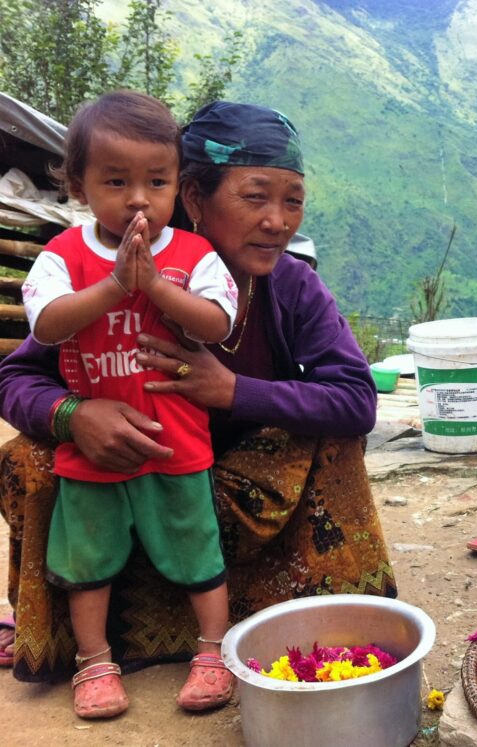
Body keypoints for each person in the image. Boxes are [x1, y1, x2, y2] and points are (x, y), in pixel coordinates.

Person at [0, 101, 396, 690]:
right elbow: (16, 378)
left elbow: (356, 400)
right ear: (192, 198)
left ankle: (286, 615)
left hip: (231, 494)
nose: (278, 221)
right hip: (126, 485)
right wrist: (73, 415)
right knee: (27, 459)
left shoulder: (291, 286)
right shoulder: (115, 269)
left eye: (293, 200)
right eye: (255, 196)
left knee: (331, 444)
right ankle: (90, 644)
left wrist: (232, 390)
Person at [17, 90, 238, 718]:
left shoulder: (193, 255)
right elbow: (50, 325)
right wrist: (116, 283)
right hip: (92, 450)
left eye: (157, 181)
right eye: (116, 181)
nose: (138, 198)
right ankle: (94, 661)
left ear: (177, 185)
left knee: (199, 549)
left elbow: (217, 324)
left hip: (178, 444)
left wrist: (152, 288)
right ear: (80, 187)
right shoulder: (64, 256)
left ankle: (212, 652)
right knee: (87, 558)